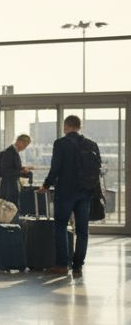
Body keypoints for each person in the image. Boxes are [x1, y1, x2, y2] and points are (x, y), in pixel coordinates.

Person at [39, 115, 101, 278]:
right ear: (79, 127)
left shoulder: (61, 143)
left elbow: (56, 168)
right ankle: (78, 266)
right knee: (82, 230)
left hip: (66, 192)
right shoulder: (92, 144)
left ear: (66, 127)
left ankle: (62, 265)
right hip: (85, 192)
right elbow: (97, 168)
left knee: (60, 227)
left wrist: (46, 185)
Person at [0, 135, 33, 205]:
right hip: (8, 187)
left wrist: (23, 169)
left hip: (9, 186)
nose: (25, 148)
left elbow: (12, 168)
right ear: (19, 142)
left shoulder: (12, 152)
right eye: (25, 145)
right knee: (11, 209)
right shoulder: (9, 152)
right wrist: (22, 171)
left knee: (11, 209)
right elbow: (6, 171)